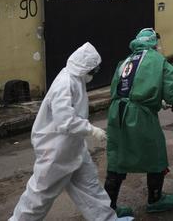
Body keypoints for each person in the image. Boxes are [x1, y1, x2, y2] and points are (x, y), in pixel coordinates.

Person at [10, 42, 129, 221]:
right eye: (93, 70)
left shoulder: (76, 78)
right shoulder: (65, 83)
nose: (94, 74)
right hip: (55, 150)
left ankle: (107, 219)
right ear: (85, 67)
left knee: (90, 188)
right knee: (39, 196)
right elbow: (64, 120)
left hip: (73, 147)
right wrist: (91, 130)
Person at [105, 28, 173, 216]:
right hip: (139, 115)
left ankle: (108, 207)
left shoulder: (125, 62)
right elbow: (172, 93)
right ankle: (155, 200)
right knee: (156, 153)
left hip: (116, 112)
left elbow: (121, 89)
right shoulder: (157, 60)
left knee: (117, 157)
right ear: (154, 43)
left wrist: (155, 99)